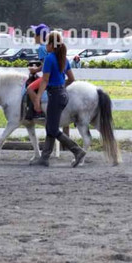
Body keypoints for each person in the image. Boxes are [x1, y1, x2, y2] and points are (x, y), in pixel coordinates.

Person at [28, 30, 86, 167]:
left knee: (53, 129)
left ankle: (77, 151)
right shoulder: (63, 59)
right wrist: (61, 86)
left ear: (51, 45)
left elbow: (44, 80)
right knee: (51, 126)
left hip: (54, 96)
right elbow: (71, 79)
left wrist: (36, 98)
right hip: (63, 94)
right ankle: (44, 158)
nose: (45, 45)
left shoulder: (49, 58)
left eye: (47, 42)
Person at [24, 24, 50, 120]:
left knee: (30, 88)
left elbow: (45, 66)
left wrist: (35, 70)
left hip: (47, 77)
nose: (34, 37)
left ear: (40, 36)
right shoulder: (48, 46)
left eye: (35, 34)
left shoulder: (41, 48)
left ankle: (38, 111)